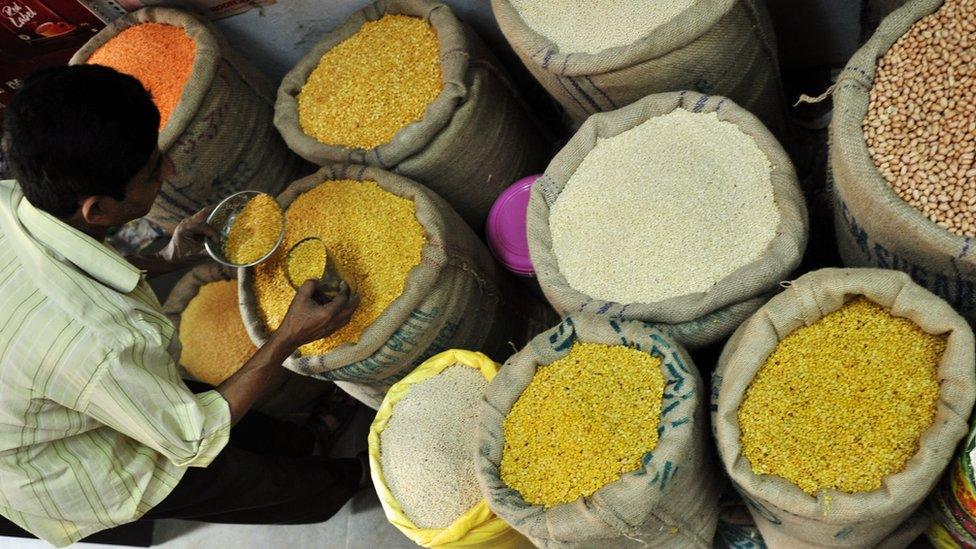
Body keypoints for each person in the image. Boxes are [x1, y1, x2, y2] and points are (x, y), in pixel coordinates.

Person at [0, 64, 365, 547]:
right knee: (242, 478)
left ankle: (308, 440)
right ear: (98, 210)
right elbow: (191, 435)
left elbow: (79, 266)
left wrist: (167, 257)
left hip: (43, 382)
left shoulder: (13, 200)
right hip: (77, 462)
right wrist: (287, 336)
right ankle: (347, 482)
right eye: (153, 171)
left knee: (226, 415)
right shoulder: (108, 342)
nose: (169, 171)